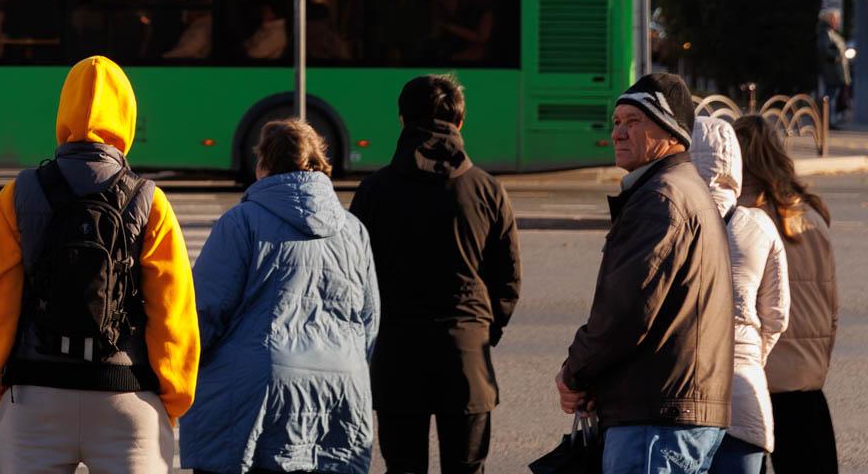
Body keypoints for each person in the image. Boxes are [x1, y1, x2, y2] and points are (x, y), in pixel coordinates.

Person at [0, 55, 198, 474]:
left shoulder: (18, 194)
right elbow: (174, 311)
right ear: (126, 117)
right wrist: (171, 398)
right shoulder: (149, 200)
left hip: (34, 397)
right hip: (126, 399)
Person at [558, 73, 733, 474]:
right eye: (616, 121)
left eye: (634, 122)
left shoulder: (660, 198)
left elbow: (627, 309)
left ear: (670, 131)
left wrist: (576, 372)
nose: (619, 132)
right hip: (675, 410)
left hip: (656, 416)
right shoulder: (680, 188)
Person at [182, 118, 379, 474]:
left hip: (261, 387)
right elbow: (369, 319)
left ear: (263, 165)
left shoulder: (242, 222)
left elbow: (205, 312)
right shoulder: (353, 230)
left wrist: (181, 373)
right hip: (342, 385)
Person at [349, 75, 519, 474]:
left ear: (402, 119)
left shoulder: (374, 190)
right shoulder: (486, 189)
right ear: (460, 123)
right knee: (466, 467)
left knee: (403, 467)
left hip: (396, 355)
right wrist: (483, 329)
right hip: (466, 356)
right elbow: (508, 278)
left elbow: (352, 276)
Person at [733, 114, 840, 474]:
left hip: (753, 380)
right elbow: (831, 307)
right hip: (806, 386)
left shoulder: (739, 221)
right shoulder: (810, 214)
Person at [688, 116, 787, 474]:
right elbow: (777, 316)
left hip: (685, 398)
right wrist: (749, 355)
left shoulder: (669, 217)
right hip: (745, 395)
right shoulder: (760, 226)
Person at [815, 9, 851, 125]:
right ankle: (827, 122)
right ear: (829, 19)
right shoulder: (825, 33)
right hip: (832, 71)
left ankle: (829, 121)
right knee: (830, 97)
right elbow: (824, 50)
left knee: (832, 96)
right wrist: (837, 57)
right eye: (835, 19)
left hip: (837, 71)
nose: (838, 21)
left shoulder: (831, 32)